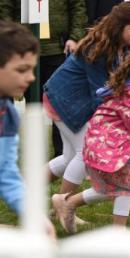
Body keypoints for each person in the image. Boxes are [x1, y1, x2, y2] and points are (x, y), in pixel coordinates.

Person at [52, 41, 130, 233]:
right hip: (107, 144)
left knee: (119, 187)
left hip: (124, 145)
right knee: (126, 185)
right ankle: (116, 232)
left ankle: (68, 203)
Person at [43, 2, 130, 205]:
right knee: (84, 152)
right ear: (118, 26)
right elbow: (100, 92)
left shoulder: (121, 47)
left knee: (69, 156)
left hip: (71, 99)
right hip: (64, 100)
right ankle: (62, 206)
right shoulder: (99, 49)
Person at [0, 0, 88, 158]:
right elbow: (5, 14)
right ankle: (31, 152)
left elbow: (77, 6)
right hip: (26, 55)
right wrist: (15, 44)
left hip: (58, 50)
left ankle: (62, 152)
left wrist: (74, 37)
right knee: (32, 104)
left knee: (60, 102)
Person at [0, 21, 56, 238]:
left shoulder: (8, 115)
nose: (32, 77)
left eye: (32, 69)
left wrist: (35, 216)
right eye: (22, 70)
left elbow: (6, 174)